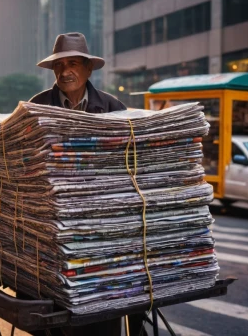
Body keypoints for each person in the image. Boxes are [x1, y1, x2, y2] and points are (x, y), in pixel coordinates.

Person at [29, 32, 147, 336]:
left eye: (73, 64)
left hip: (100, 228)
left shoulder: (112, 108)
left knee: (100, 313)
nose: (65, 71)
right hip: (51, 226)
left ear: (88, 69)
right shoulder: (36, 107)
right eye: (60, 65)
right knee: (56, 313)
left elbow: (129, 165)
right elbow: (26, 164)